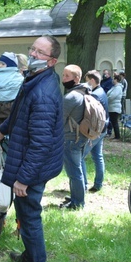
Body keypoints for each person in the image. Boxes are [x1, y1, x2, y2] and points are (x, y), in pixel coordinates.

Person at [0, 36, 64, 262]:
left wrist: (23, 179)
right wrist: (2, 129)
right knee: (24, 212)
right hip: (29, 161)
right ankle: (29, 255)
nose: (33, 54)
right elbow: (18, 113)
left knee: (30, 214)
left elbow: (41, 143)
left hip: (33, 166)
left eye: (40, 52)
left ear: (52, 61)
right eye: (32, 48)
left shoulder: (43, 91)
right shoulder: (34, 79)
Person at [59, 64, 89, 210]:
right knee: (77, 170)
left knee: (74, 172)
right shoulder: (85, 92)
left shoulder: (71, 96)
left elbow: (59, 120)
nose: (63, 79)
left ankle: (77, 203)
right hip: (81, 137)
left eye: (67, 76)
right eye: (63, 75)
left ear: (76, 78)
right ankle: (76, 198)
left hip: (70, 139)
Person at [81, 70, 108, 192]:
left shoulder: (95, 95)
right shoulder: (101, 91)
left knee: (80, 156)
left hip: (96, 131)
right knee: (98, 156)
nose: (85, 84)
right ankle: (98, 184)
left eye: (87, 81)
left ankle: (83, 185)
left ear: (92, 80)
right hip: (102, 129)